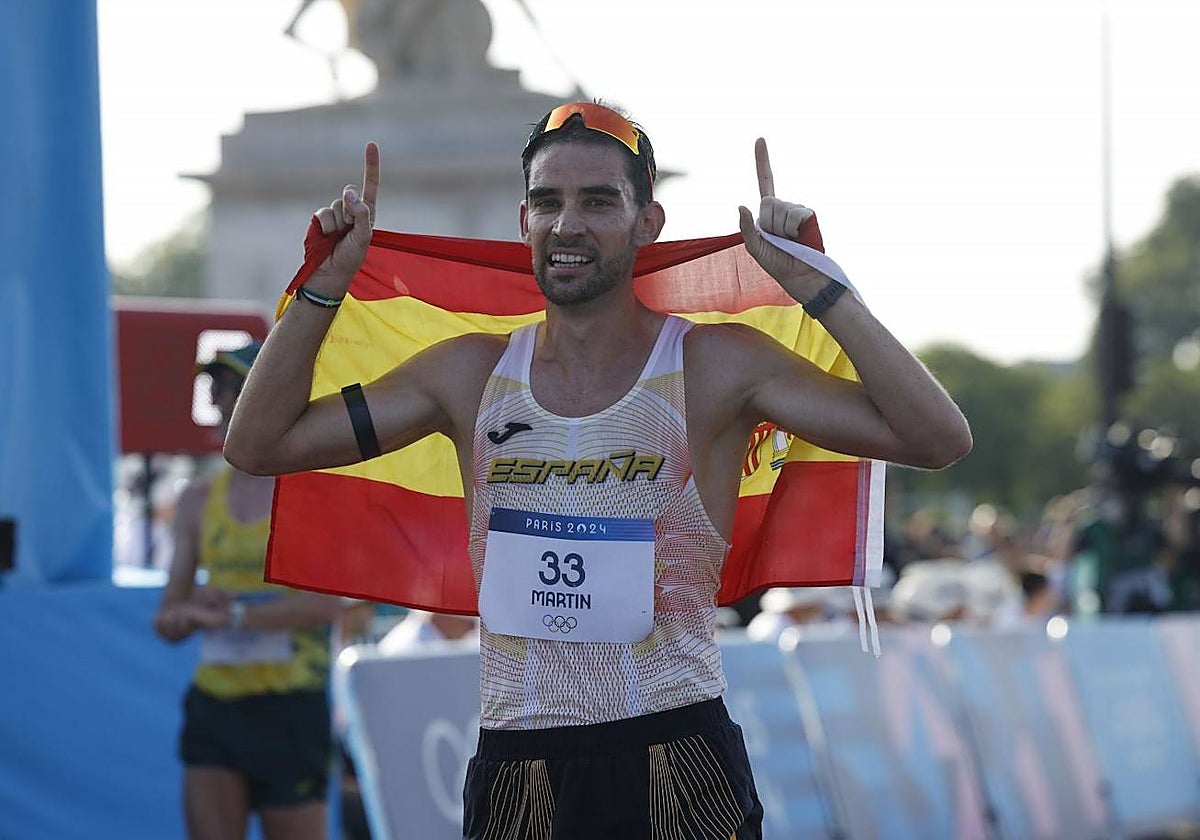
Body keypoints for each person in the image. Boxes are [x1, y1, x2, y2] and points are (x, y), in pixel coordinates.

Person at [224, 101, 972, 838]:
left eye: (598, 201)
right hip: (519, 768)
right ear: (524, 222)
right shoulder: (468, 375)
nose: (568, 225)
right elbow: (259, 444)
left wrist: (819, 286)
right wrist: (325, 285)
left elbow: (936, 437)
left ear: (648, 222)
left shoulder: (714, 365)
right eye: (548, 202)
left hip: (676, 755)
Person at [154, 342, 350, 840]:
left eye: (235, 388)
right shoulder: (197, 499)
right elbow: (167, 619)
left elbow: (328, 603)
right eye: (216, 389)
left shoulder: (311, 492)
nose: (222, 402)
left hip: (291, 706)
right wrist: (186, 615)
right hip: (216, 704)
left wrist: (236, 616)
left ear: (272, 396)